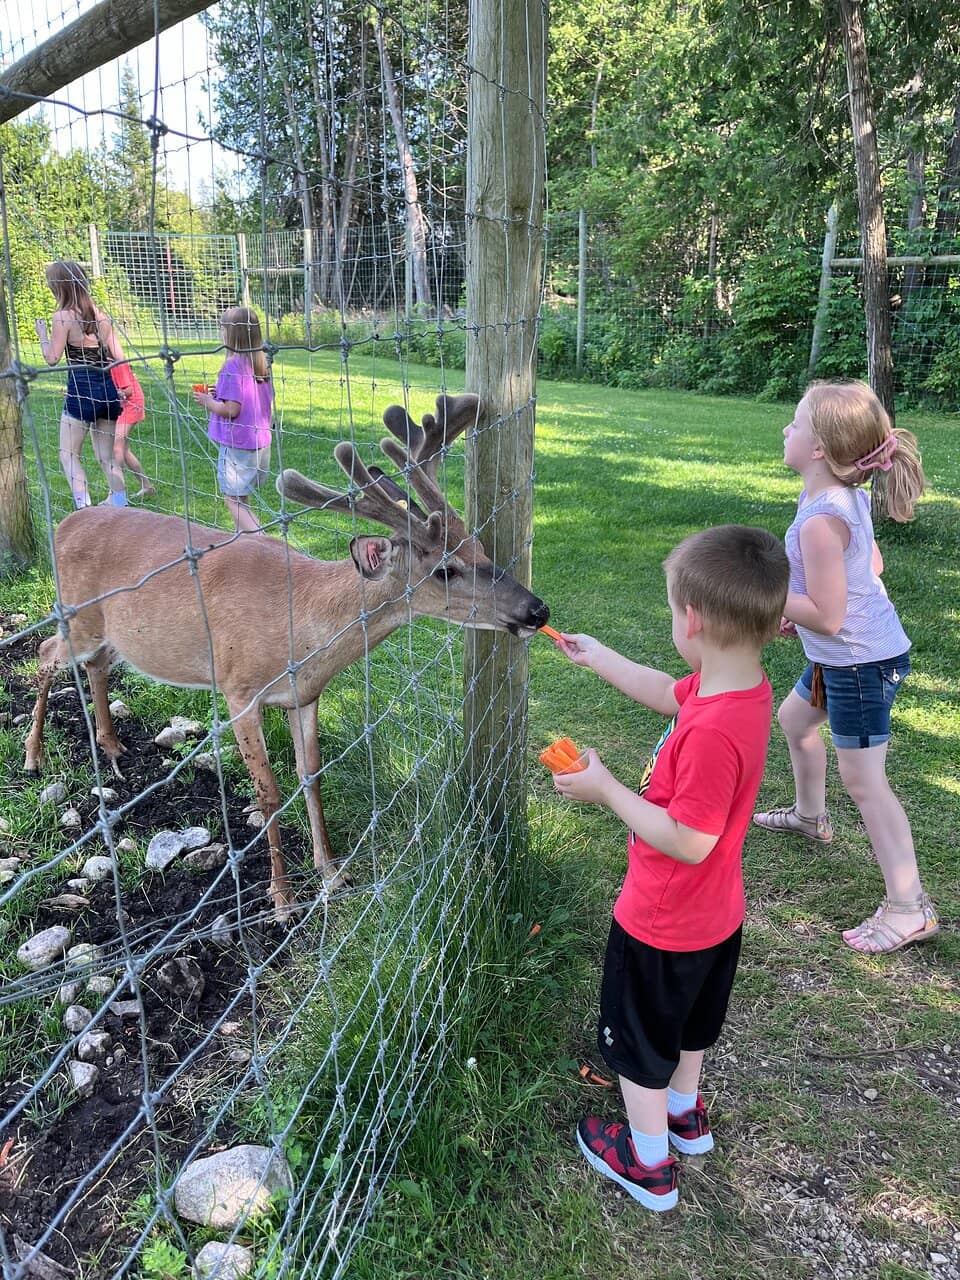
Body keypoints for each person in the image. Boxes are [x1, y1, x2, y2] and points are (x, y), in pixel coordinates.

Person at [550, 525, 789, 1212]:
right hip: (716, 916)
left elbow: (689, 840)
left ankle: (649, 1162)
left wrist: (607, 790)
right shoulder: (741, 689)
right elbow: (667, 691)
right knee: (687, 1024)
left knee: (642, 1040)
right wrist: (599, 657)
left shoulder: (712, 732)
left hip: (663, 920)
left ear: (692, 619)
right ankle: (684, 1115)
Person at [753, 380, 939, 954]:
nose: (785, 429)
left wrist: (775, 599)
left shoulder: (821, 518)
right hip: (843, 657)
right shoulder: (835, 496)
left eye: (795, 423)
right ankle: (811, 816)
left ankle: (909, 907)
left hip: (860, 664)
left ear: (818, 448)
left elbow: (830, 618)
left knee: (864, 781)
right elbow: (870, 564)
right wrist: (804, 608)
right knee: (795, 721)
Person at [35, 260, 129, 509]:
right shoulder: (101, 315)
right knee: (107, 457)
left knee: (68, 455)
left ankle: (83, 508)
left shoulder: (63, 317)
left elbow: (52, 358)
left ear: (59, 287)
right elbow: (119, 357)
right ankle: (121, 505)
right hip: (108, 392)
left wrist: (42, 336)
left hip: (81, 393)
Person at [194, 306, 273, 532]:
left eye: (223, 329)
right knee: (241, 497)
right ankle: (244, 541)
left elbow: (232, 409)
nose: (221, 333)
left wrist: (208, 402)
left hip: (237, 444)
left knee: (232, 500)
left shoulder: (232, 366)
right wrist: (218, 393)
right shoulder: (260, 365)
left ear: (231, 334)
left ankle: (261, 541)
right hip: (259, 443)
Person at [110, 359, 155, 500]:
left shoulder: (117, 363)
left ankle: (116, 494)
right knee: (123, 449)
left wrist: (110, 393)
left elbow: (128, 391)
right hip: (119, 403)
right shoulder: (96, 361)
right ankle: (147, 486)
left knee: (116, 447)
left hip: (130, 404)